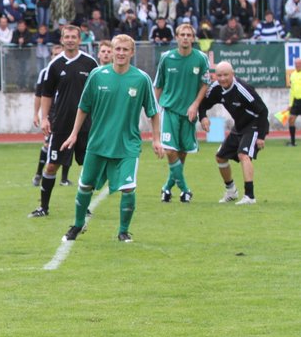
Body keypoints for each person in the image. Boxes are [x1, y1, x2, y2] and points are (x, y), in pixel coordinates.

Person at [60, 34, 163, 243]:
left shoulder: (141, 79)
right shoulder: (97, 75)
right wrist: (73, 134)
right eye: (118, 49)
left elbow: (153, 112)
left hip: (128, 145)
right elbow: (83, 107)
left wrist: (156, 139)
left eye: (125, 50)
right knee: (85, 185)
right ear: (111, 51)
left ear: (132, 52)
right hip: (98, 143)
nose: (121, 53)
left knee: (128, 188)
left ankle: (123, 231)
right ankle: (78, 225)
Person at [28, 24, 98, 217]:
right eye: (66, 36)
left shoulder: (90, 63)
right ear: (62, 39)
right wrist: (44, 119)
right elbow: (46, 94)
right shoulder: (55, 65)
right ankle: (43, 207)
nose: (70, 40)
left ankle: (84, 206)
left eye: (73, 37)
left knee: (88, 167)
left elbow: (98, 92)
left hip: (86, 125)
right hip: (61, 125)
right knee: (52, 166)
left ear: (79, 39)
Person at [154, 23, 210, 204]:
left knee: (183, 152)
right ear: (176, 37)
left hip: (189, 113)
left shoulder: (201, 58)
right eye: (182, 34)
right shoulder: (166, 58)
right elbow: (159, 84)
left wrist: (195, 105)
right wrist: (154, 110)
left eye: (189, 35)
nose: (185, 37)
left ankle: (167, 188)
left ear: (193, 38)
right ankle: (185, 189)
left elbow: (205, 84)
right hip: (169, 110)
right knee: (170, 151)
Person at [198, 61, 268, 204]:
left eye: (226, 75)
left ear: (233, 74)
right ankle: (231, 191)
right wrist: (203, 116)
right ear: (215, 76)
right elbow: (203, 103)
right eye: (219, 75)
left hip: (253, 124)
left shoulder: (243, 89)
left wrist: (261, 136)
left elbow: (263, 111)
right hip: (239, 126)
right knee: (220, 157)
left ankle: (249, 196)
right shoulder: (216, 88)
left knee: (243, 154)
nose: (223, 78)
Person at [31, 43, 64, 186]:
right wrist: (36, 114)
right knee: (47, 144)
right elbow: (40, 94)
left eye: (59, 54)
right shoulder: (45, 72)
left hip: (66, 113)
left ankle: (64, 178)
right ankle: (39, 173)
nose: (57, 57)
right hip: (52, 115)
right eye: (54, 54)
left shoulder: (71, 69)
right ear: (51, 56)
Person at [287, 58, 301, 146]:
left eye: (299, 64)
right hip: (296, 101)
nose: (297, 65)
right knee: (291, 120)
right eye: (296, 64)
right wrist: (290, 104)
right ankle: (292, 142)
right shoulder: (292, 75)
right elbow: (291, 91)